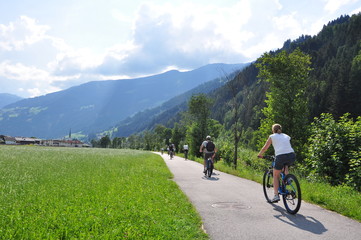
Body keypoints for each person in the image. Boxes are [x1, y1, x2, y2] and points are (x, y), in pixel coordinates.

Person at [258, 124, 296, 203]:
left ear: (273, 130)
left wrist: (260, 154)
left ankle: (276, 196)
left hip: (280, 156)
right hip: (292, 155)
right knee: (285, 165)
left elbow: (265, 147)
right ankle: (287, 179)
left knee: (276, 175)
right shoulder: (286, 136)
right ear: (280, 129)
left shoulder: (272, 136)